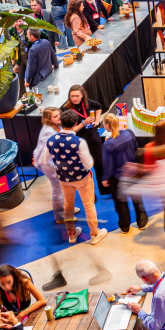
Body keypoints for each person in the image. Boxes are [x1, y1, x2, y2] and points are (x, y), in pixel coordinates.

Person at [46, 110, 108, 245]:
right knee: (88, 205)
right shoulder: (79, 141)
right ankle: (94, 234)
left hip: (63, 179)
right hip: (82, 179)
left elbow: (46, 161)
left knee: (68, 207)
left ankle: (71, 234)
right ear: (75, 123)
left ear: (61, 123)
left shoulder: (51, 140)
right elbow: (89, 164)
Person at [101, 113, 148, 233]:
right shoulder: (129, 133)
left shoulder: (108, 144)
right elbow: (136, 147)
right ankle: (142, 221)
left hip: (118, 176)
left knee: (121, 202)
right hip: (133, 172)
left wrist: (105, 178)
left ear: (107, 126)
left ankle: (125, 226)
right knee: (137, 198)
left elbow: (109, 164)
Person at [61, 85, 105, 193]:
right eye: (72, 96)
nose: (75, 98)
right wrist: (83, 123)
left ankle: (105, 189)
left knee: (100, 164)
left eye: (77, 96)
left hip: (93, 138)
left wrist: (97, 120)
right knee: (83, 169)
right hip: (78, 141)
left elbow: (99, 106)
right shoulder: (65, 109)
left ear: (82, 95)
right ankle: (89, 193)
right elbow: (70, 131)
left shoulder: (86, 102)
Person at [33, 108, 71, 224]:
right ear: (48, 119)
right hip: (50, 166)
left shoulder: (54, 127)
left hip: (54, 163)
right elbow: (44, 152)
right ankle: (60, 216)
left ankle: (67, 209)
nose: (59, 117)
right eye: (55, 116)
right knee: (58, 190)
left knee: (63, 188)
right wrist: (55, 168)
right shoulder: (48, 132)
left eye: (59, 114)